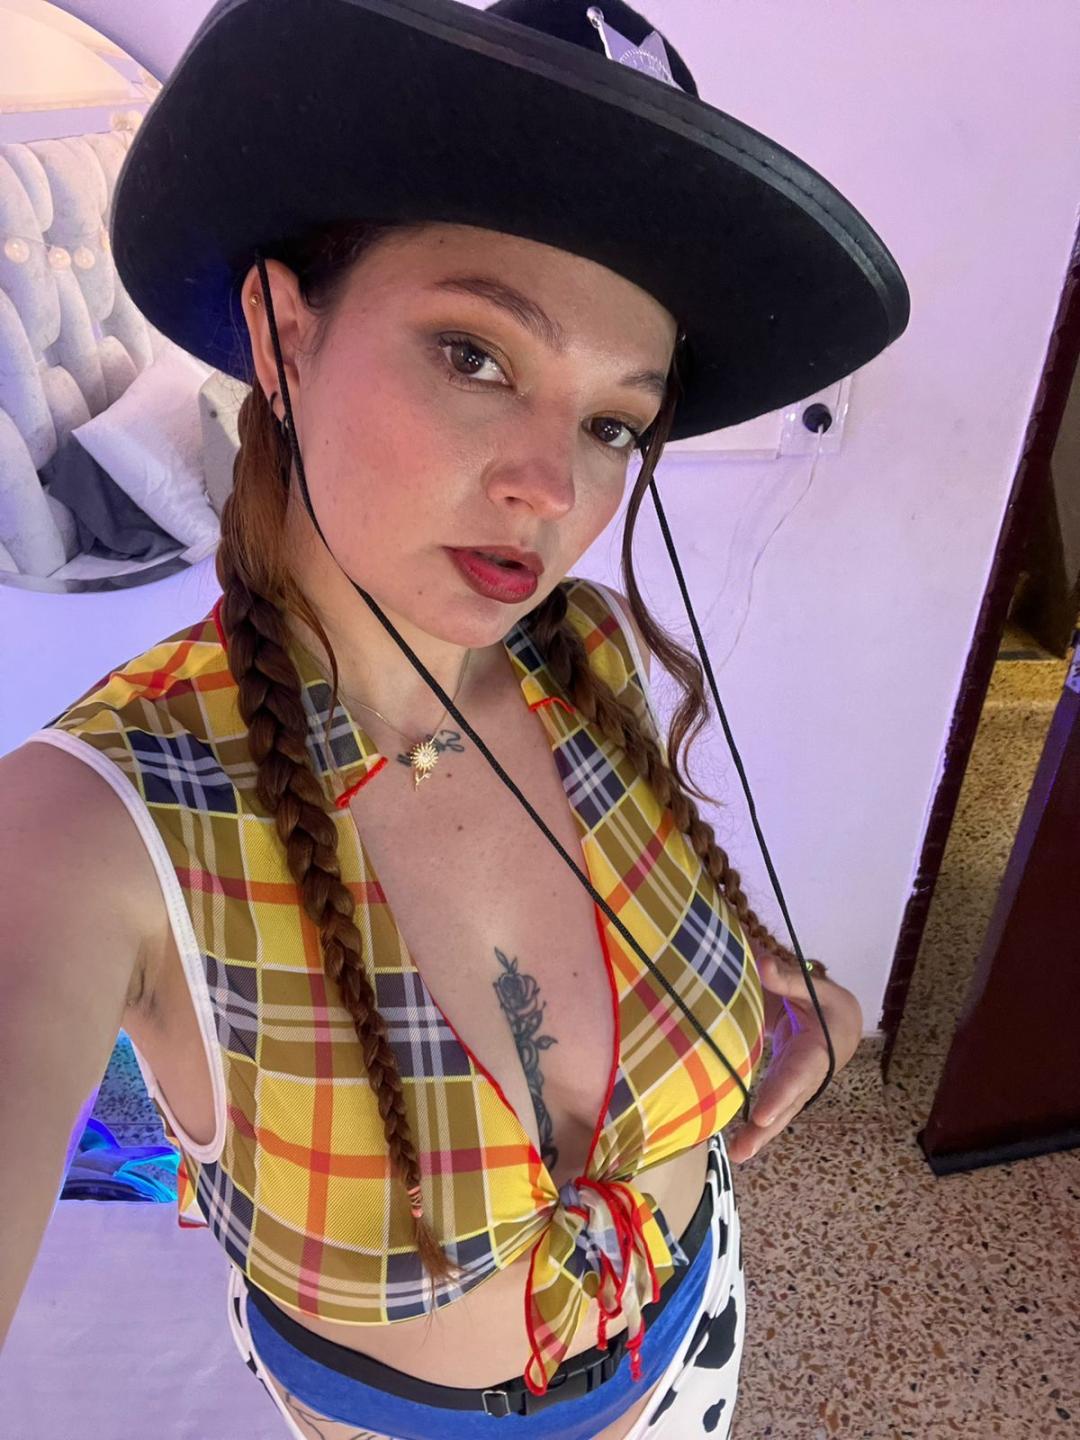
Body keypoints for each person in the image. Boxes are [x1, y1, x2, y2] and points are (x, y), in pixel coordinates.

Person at [2, 1, 896, 1436]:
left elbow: (635, 901)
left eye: (614, 421)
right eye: (476, 355)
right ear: (283, 333)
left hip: (697, 1328)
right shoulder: (93, 823)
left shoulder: (580, 655)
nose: (554, 486)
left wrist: (776, 989)